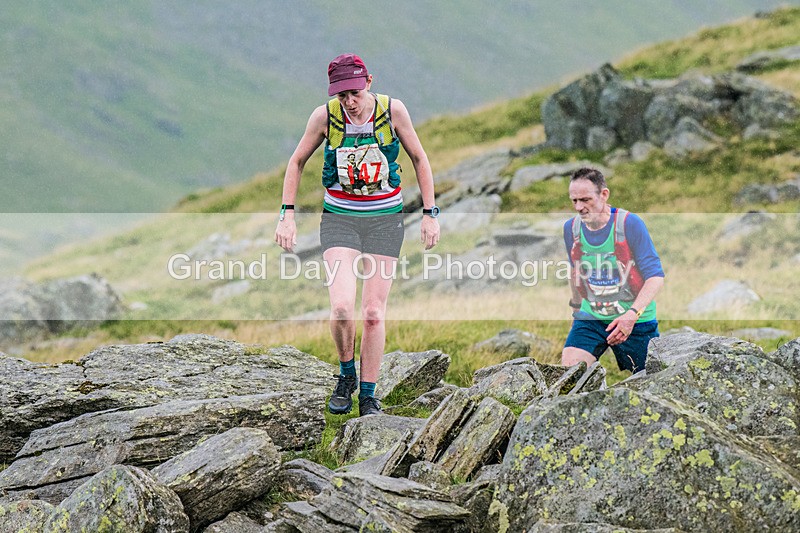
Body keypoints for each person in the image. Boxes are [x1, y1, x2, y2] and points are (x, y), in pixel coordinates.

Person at [275, 53, 440, 416]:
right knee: (340, 307)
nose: (349, 102)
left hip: (385, 220)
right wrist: (287, 215)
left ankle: (368, 396)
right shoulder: (325, 117)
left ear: (369, 82)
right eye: (341, 95)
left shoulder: (393, 111)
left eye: (354, 93)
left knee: (374, 313)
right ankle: (346, 373)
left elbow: (419, 158)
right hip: (340, 220)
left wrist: (430, 213)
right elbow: (296, 161)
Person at [561, 167, 664, 374]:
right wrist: (576, 308)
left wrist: (631, 315)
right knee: (569, 374)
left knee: (649, 379)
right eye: (574, 201)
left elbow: (655, 277)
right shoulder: (571, 228)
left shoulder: (630, 224)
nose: (579, 207)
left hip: (636, 319)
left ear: (604, 194)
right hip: (592, 317)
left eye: (586, 200)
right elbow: (575, 271)